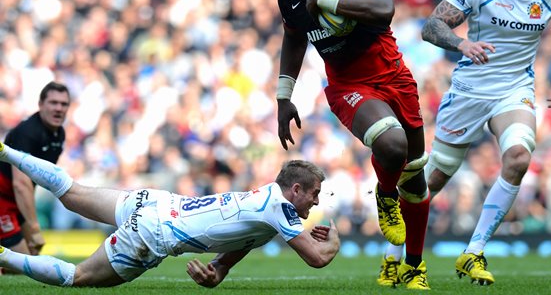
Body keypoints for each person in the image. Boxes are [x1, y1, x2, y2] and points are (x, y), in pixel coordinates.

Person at [380, 0, 551, 286]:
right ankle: (393, 257)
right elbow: (432, 26)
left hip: (514, 90)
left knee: (519, 158)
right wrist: (462, 45)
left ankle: (474, 251)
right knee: (434, 179)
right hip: (470, 89)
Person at [276, 0, 430, 289]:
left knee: (417, 177)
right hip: (349, 84)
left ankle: (413, 266)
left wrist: (328, 2)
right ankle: (385, 194)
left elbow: (383, 8)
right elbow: (295, 39)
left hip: (394, 75)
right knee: (392, 146)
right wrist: (283, 96)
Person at [0, 142, 339, 288]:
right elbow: (318, 259)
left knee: (73, 192)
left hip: (157, 202)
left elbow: (246, 237)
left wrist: (220, 268)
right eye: (313, 194)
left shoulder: (265, 204)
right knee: (79, 277)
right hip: (155, 233)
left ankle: (7, 152)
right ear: (295, 189)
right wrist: (333, 239)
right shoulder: (281, 208)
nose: (315, 202)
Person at [0, 81, 71, 260]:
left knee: (33, 256)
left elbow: (35, 180)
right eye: (53, 103)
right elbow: (21, 183)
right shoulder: (27, 133)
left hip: (14, 200)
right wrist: (34, 228)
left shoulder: (59, 135)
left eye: (63, 104)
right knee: (23, 263)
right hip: (3, 197)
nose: (59, 108)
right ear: (40, 105)